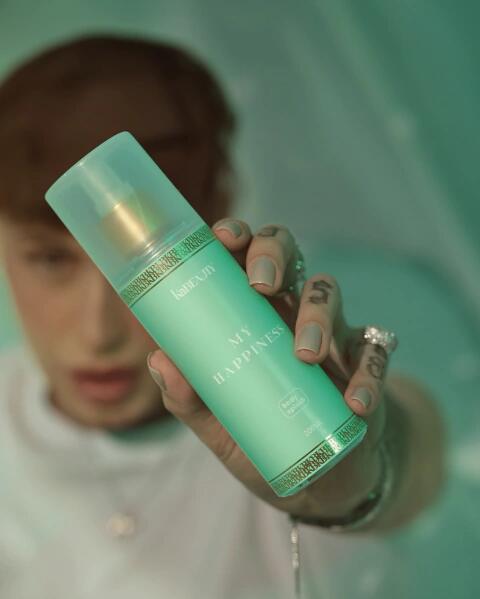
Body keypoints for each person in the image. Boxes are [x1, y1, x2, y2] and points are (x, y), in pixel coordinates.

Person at [0, 34, 445, 598]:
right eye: (50, 260)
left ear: (220, 207)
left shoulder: (297, 397)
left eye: (137, 273)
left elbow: (416, 457)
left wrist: (357, 483)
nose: (98, 332)